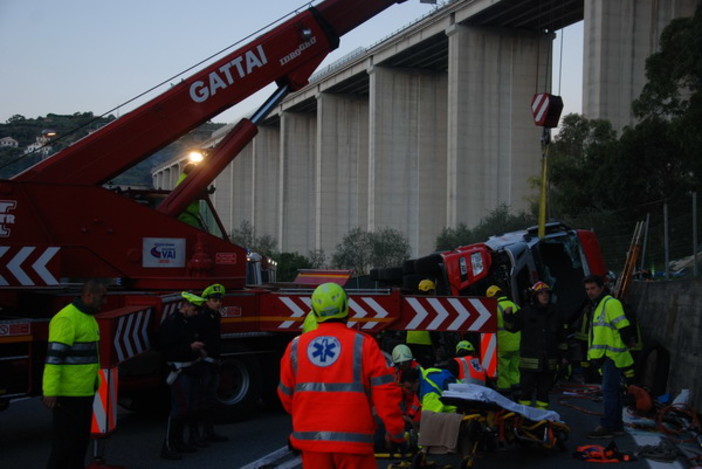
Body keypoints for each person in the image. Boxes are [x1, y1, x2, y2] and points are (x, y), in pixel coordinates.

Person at [278, 282, 405, 468]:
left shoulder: (295, 347)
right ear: (347, 308)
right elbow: (386, 393)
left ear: (314, 310)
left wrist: (309, 416)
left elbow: (286, 395)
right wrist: (396, 434)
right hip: (355, 443)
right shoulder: (364, 344)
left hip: (312, 443)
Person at [43, 279, 107, 469]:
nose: (105, 302)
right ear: (88, 295)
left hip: (83, 393)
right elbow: (54, 358)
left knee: (78, 446)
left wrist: (94, 384)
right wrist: (51, 391)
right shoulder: (67, 318)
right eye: (102, 297)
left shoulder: (88, 317)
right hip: (68, 396)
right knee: (64, 448)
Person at [584, 274, 636, 439]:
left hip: (611, 356)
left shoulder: (610, 303)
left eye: (593, 288)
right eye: (587, 289)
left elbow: (624, 327)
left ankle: (608, 426)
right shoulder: (599, 305)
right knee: (613, 392)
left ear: (601, 288)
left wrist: (628, 342)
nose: (590, 292)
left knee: (610, 392)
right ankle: (617, 426)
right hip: (605, 356)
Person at [503, 281, 567, 409]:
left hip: (549, 362)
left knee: (544, 393)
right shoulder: (525, 312)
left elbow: (562, 337)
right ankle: (524, 419)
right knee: (526, 392)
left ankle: (542, 420)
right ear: (534, 296)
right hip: (529, 363)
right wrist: (507, 316)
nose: (545, 296)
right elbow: (512, 328)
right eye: (541, 293)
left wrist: (564, 356)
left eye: (547, 293)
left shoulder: (556, 312)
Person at [159, 291, 207, 460]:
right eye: (194, 310)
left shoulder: (188, 321)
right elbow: (165, 349)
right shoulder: (172, 323)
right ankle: (168, 446)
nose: (196, 314)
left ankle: (179, 442)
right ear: (185, 306)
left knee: (187, 408)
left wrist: (198, 350)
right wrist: (190, 347)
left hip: (190, 369)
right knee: (178, 409)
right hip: (178, 370)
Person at [189, 283, 229, 446]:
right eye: (214, 300)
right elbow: (194, 338)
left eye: (219, 300)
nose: (217, 303)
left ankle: (208, 432)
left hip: (213, 362)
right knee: (199, 400)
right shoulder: (201, 317)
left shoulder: (215, 316)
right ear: (206, 301)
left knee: (209, 400)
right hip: (203, 363)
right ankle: (195, 435)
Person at [486, 285, 521, 394]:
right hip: (517, 342)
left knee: (503, 365)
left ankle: (504, 387)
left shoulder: (495, 308)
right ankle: (516, 383)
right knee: (515, 365)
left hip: (503, 343)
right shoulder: (515, 305)